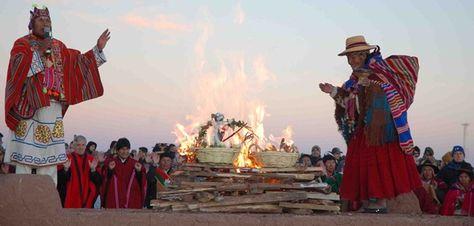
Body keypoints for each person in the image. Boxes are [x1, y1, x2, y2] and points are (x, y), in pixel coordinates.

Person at [4, 6, 110, 185]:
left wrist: (97, 50)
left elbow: (79, 64)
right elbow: (17, 69)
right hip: (29, 107)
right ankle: (23, 199)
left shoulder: (58, 46)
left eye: (48, 20)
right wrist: (37, 52)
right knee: (25, 160)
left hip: (53, 108)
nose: (45, 23)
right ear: (31, 24)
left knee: (50, 160)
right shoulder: (22, 44)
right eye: (41, 20)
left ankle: (48, 201)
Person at [319, 35, 421, 213]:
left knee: (377, 166)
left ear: (364, 54)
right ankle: (367, 203)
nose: (351, 61)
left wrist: (370, 88)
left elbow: (390, 95)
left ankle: (379, 203)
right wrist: (334, 91)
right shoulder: (354, 80)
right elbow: (352, 104)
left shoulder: (377, 73)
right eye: (349, 58)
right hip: (363, 131)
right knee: (361, 167)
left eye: (355, 56)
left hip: (380, 132)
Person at [100, 138, 146, 209]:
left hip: (132, 201)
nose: (125, 151)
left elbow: (142, 183)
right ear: (117, 150)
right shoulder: (111, 163)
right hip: (114, 201)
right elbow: (104, 182)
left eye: (127, 149)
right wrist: (110, 170)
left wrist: (139, 172)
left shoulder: (135, 164)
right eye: (122, 149)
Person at [57, 135, 101, 208]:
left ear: (86, 146)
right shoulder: (66, 159)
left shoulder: (91, 159)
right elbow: (59, 180)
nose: (81, 147)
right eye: (78, 145)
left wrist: (93, 170)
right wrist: (65, 170)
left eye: (83, 145)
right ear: (74, 146)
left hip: (87, 199)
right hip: (70, 198)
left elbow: (99, 181)